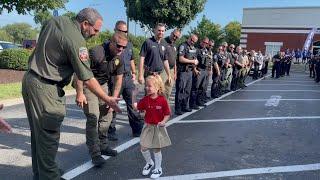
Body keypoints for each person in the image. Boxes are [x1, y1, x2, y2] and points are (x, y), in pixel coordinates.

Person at [21, 8, 120, 180]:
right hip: (47, 88)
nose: (96, 34)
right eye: (95, 30)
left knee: (39, 135)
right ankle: (49, 176)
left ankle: (41, 173)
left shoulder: (55, 21)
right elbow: (87, 77)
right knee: (49, 136)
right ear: (85, 24)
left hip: (30, 80)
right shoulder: (77, 40)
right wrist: (107, 99)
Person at [75, 32, 127, 167]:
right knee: (93, 117)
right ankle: (95, 153)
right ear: (111, 42)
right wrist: (80, 93)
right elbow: (80, 72)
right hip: (87, 83)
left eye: (124, 47)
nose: (121, 49)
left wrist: (113, 99)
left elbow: (118, 80)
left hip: (102, 85)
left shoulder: (119, 58)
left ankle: (103, 146)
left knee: (107, 116)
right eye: (119, 46)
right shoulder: (96, 52)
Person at [107, 21, 144, 140]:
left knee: (133, 104)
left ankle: (137, 129)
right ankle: (110, 131)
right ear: (115, 30)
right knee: (113, 104)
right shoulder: (109, 44)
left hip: (128, 78)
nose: (123, 33)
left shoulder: (129, 45)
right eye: (121, 30)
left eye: (125, 31)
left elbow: (132, 59)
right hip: (114, 78)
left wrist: (134, 72)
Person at [134, 75, 171, 179]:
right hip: (147, 126)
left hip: (158, 127)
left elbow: (167, 114)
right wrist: (134, 95)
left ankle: (158, 168)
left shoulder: (162, 100)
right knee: (143, 147)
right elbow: (136, 107)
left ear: (158, 87)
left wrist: (163, 121)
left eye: (149, 86)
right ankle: (149, 163)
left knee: (156, 149)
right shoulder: (146, 99)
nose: (147, 88)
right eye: (146, 86)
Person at [175, 34, 199, 115]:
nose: (192, 42)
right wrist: (192, 62)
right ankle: (178, 108)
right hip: (182, 71)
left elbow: (194, 59)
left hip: (190, 71)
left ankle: (184, 106)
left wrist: (195, 69)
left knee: (187, 90)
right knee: (181, 90)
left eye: (194, 42)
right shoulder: (183, 46)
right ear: (189, 38)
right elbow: (181, 59)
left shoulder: (193, 48)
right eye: (192, 40)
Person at [160, 29, 181, 100]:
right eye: (174, 35)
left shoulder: (175, 45)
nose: (174, 37)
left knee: (168, 91)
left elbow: (174, 59)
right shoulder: (163, 42)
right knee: (160, 90)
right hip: (163, 70)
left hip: (171, 70)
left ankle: (164, 107)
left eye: (176, 37)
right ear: (171, 33)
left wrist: (175, 72)